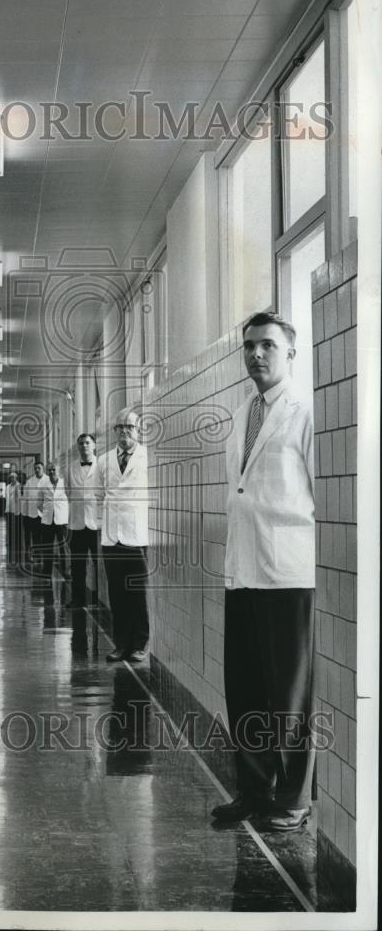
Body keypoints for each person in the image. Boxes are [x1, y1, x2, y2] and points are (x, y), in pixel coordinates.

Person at [212, 312, 317, 832]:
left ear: (290, 353)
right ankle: (254, 790)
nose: (256, 354)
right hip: (244, 571)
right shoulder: (242, 412)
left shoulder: (305, 412)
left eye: (268, 346)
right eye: (250, 346)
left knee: (290, 695)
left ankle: (294, 799)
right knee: (246, 690)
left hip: (289, 574)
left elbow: (322, 499)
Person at [99, 407, 150, 664]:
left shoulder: (147, 456)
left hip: (136, 534)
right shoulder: (105, 459)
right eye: (120, 427)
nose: (124, 432)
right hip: (111, 537)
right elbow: (98, 493)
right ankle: (121, 645)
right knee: (117, 594)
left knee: (137, 593)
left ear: (138, 430)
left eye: (129, 427)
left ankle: (139, 644)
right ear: (114, 431)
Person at [67, 432, 103, 607]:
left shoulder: (102, 465)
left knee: (99, 564)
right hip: (77, 523)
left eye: (87, 443)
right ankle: (78, 600)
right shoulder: (71, 467)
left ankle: (98, 599)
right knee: (77, 565)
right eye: (81, 443)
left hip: (96, 524)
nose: (84, 446)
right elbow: (68, 492)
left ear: (94, 445)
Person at [39, 462, 70, 580]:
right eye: (50, 470)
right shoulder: (44, 485)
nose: (51, 472)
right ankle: (46, 571)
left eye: (54, 470)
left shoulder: (65, 484)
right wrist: (47, 513)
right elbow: (39, 503)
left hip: (62, 520)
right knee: (47, 547)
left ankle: (66, 571)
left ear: (58, 471)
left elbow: (70, 500)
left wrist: (65, 514)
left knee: (64, 547)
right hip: (47, 520)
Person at [24, 461, 47, 566]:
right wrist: (25, 514)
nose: (37, 470)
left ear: (43, 469)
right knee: (35, 536)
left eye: (39, 468)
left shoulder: (48, 480)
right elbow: (25, 499)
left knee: (45, 536)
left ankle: (44, 557)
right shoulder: (29, 482)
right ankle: (36, 555)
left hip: (45, 514)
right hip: (32, 514)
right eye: (35, 468)